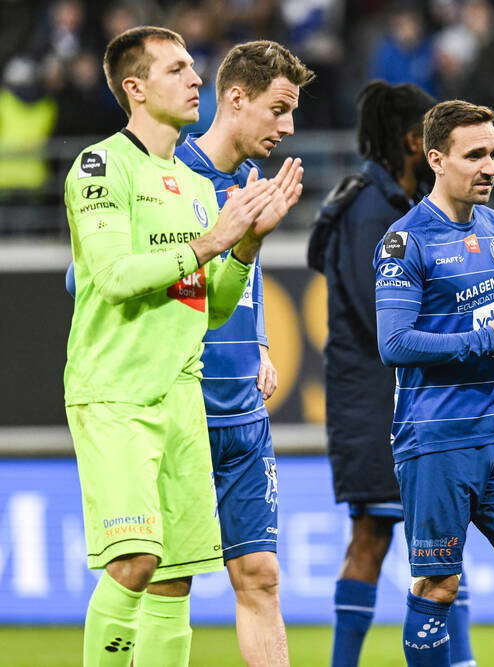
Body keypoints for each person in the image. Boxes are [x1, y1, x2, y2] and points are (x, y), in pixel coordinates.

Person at [66, 39, 313, 665]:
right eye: (178, 69)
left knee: (175, 578)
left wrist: (248, 245)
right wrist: (213, 242)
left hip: (188, 396)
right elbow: (109, 275)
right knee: (137, 561)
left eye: (194, 68)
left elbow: (217, 303)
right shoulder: (101, 167)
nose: (195, 79)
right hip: (121, 390)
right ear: (136, 87)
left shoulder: (194, 187)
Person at [373, 100, 494, 667]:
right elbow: (394, 343)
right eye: (474, 155)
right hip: (435, 440)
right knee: (438, 587)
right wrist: (484, 341)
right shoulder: (406, 243)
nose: (489, 167)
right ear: (436, 159)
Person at [307, 81, 476, 667]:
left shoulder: (394, 206)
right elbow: (382, 316)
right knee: (375, 536)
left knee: (438, 535)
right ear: (413, 141)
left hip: (407, 397)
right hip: (375, 400)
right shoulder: (372, 213)